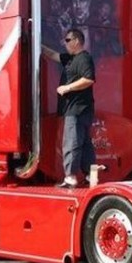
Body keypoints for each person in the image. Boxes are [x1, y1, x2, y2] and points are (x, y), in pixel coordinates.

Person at [42, 28, 96, 188]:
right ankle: (90, 177)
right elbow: (53, 55)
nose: (64, 43)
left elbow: (88, 79)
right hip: (78, 109)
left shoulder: (84, 58)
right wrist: (38, 44)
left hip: (78, 109)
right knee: (85, 143)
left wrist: (67, 88)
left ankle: (70, 178)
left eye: (67, 40)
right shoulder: (70, 59)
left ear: (76, 41)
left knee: (71, 143)